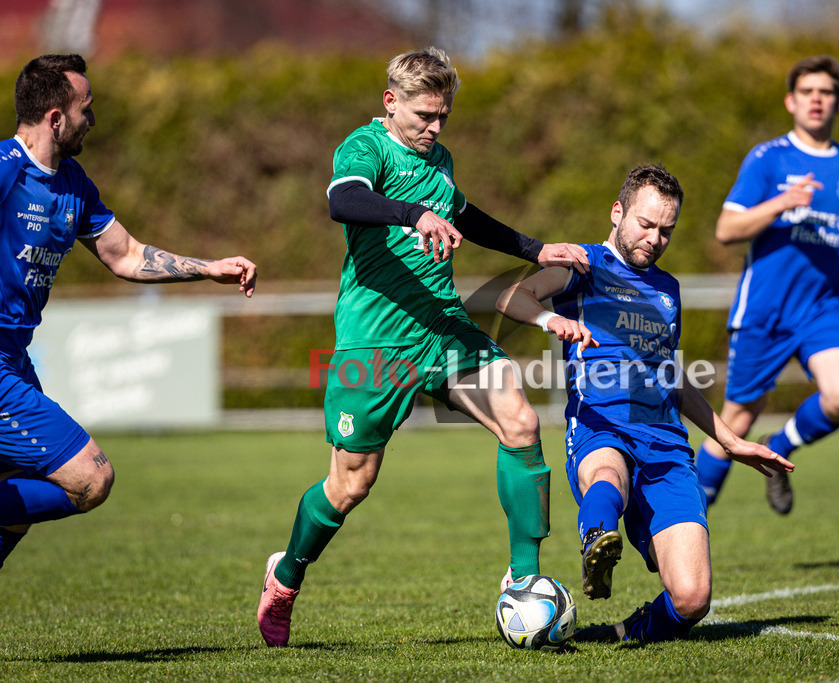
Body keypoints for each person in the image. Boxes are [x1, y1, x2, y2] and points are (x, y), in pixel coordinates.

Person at [257, 46, 589, 647]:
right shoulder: (364, 147)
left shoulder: (440, 159)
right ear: (392, 102)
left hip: (442, 329)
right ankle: (285, 576)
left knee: (519, 420)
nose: (434, 129)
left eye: (442, 118)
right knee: (351, 484)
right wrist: (413, 216)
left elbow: (466, 215)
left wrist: (536, 249)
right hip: (376, 342)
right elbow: (344, 200)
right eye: (423, 116)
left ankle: (526, 578)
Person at [495, 164, 793, 643]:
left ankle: (620, 633)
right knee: (608, 474)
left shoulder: (669, 291)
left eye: (667, 231)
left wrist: (731, 440)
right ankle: (598, 541)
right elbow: (512, 297)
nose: (655, 238)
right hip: (600, 424)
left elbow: (673, 377)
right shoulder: (582, 264)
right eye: (646, 224)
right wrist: (554, 324)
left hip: (666, 442)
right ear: (618, 212)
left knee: (692, 598)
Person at [0, 54, 258, 569]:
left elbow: (126, 255)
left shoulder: (73, 183)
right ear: (56, 118)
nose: (91, 120)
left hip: (16, 359)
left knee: (17, 502)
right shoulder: (5, 171)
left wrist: (208, 268)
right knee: (91, 478)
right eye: (86, 109)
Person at [695, 55, 839, 515]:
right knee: (734, 421)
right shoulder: (767, 158)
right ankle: (686, 520)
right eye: (807, 92)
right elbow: (726, 229)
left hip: (823, 306)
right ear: (790, 101)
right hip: (766, 308)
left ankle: (780, 449)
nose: (817, 100)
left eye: (826, 92)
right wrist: (783, 202)